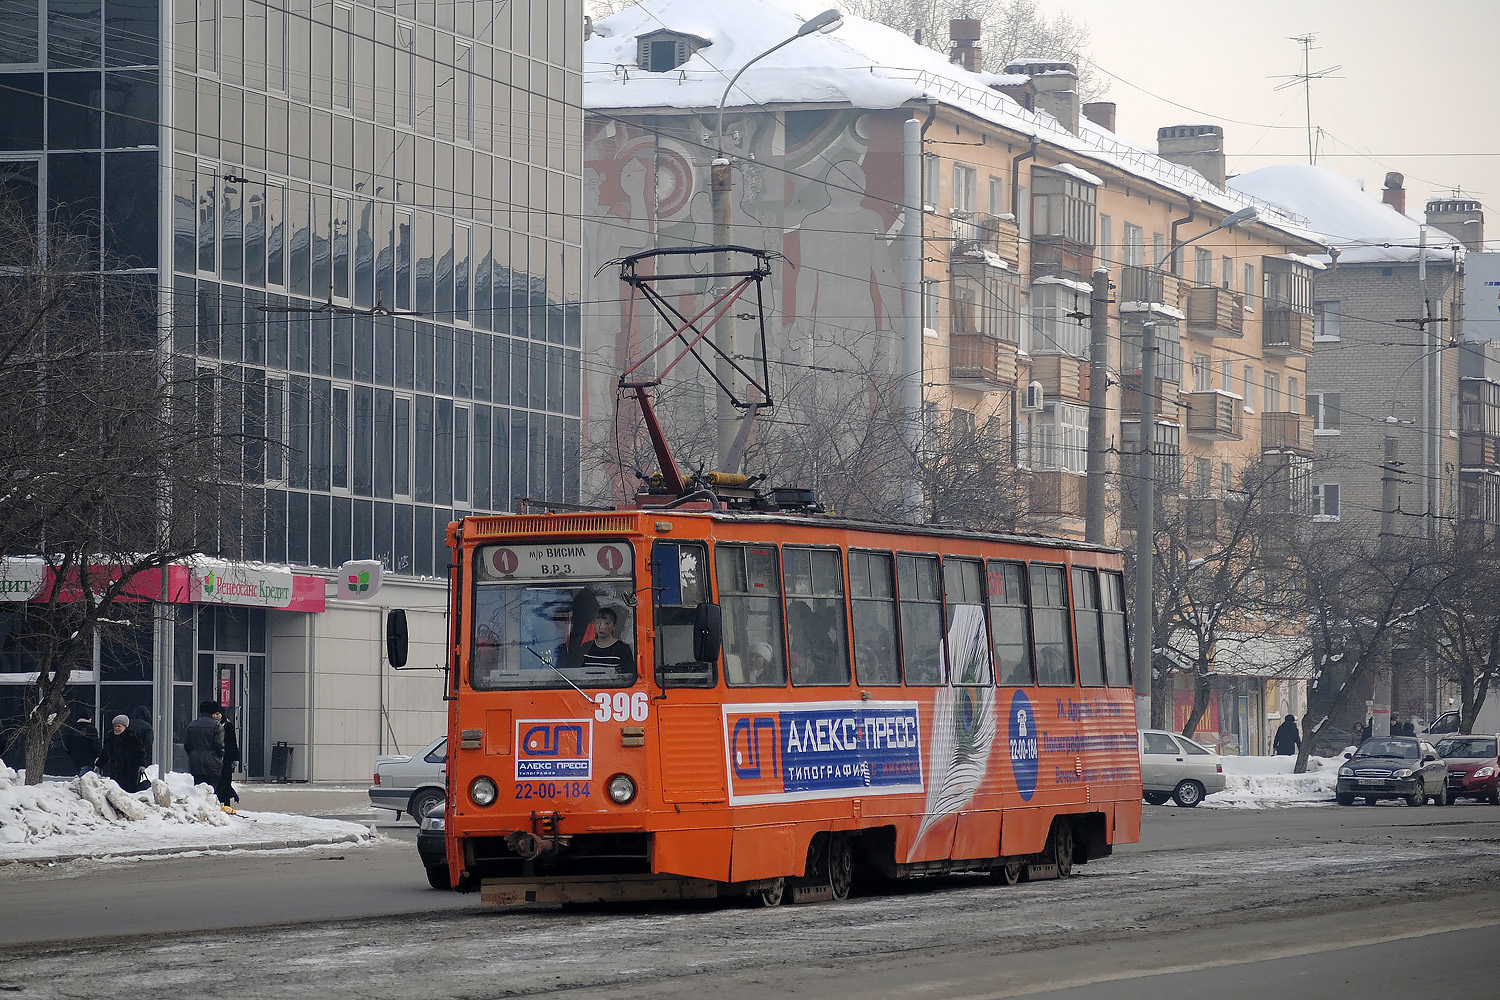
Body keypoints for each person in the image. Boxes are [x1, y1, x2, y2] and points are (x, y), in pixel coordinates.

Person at [96, 714, 147, 792]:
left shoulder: (132, 737)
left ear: (125, 726)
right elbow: (105, 753)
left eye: (119, 726)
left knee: (128, 791)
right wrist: (99, 765)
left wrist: (141, 764)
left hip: (130, 771)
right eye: (115, 726)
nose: (116, 728)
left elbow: (139, 752)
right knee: (115, 791)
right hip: (115, 771)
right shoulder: (111, 738)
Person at [580, 608, 634, 678]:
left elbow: (629, 676)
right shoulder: (586, 647)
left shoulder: (622, 649)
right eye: (598, 623)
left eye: (607, 623)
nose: (601, 627)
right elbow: (580, 673)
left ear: (614, 626)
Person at [184, 700, 225, 793]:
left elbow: (187, 744)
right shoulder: (217, 726)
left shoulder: (192, 725)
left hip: (195, 761)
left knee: (198, 790)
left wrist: (193, 754)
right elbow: (219, 744)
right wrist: (220, 755)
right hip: (213, 762)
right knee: (211, 790)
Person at [213, 703, 241, 810]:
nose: (215, 716)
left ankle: (227, 804)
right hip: (215, 758)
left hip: (226, 758)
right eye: (214, 714)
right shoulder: (211, 726)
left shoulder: (228, 725)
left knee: (225, 781)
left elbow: (233, 743)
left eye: (217, 714)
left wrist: (235, 758)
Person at [63, 705, 100, 776]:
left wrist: (72, 754)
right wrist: (97, 755)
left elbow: (67, 745)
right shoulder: (91, 729)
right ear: (90, 718)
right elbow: (96, 746)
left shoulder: (72, 729)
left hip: (74, 761)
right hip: (88, 761)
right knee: (86, 782)